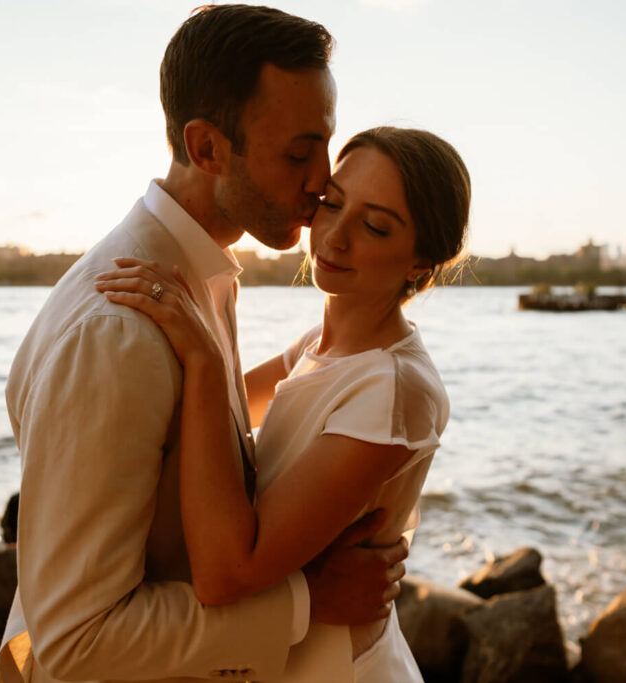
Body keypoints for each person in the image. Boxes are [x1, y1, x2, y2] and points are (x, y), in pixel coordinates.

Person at [0, 6, 409, 683]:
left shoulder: (199, 277)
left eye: (326, 147)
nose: (323, 182)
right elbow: (75, 640)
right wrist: (308, 600)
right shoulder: (116, 330)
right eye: (298, 154)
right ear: (208, 148)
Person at [94, 126, 471, 681]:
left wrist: (203, 359)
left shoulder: (395, 389)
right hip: (280, 654)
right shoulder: (317, 347)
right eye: (331, 204)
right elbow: (208, 425)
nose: (334, 238)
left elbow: (227, 574)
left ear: (421, 261)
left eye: (374, 226)